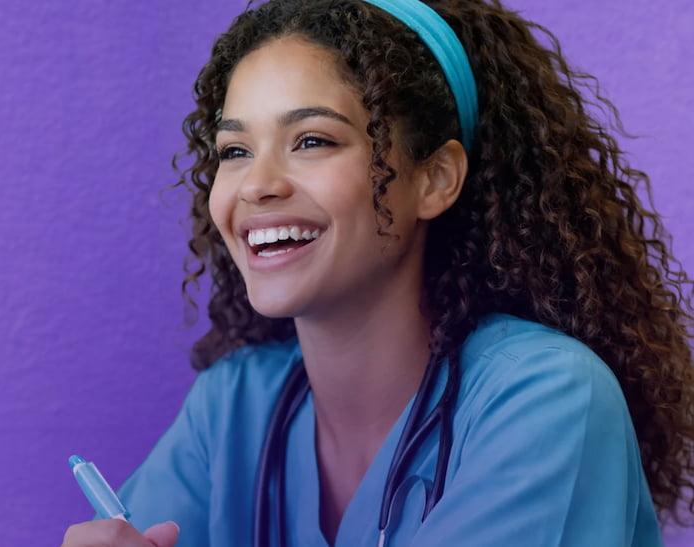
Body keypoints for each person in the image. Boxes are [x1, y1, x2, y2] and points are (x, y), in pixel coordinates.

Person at [61, 0, 694, 546]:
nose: (257, 185)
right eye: (235, 151)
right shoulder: (231, 410)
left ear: (435, 179)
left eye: (312, 140)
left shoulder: (549, 398)